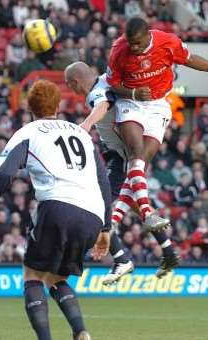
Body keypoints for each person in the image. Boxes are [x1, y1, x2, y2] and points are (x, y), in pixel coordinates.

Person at [0, 80, 111, 340]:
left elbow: (4, 176)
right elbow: (104, 181)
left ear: (30, 106)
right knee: (56, 278)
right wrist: (106, 228)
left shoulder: (28, 132)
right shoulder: (81, 134)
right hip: (93, 215)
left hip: (57, 206)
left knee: (32, 275)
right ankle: (81, 332)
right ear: (58, 105)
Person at [106, 17, 208, 235]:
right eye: (131, 43)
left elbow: (190, 59)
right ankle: (147, 213)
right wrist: (133, 93)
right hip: (131, 103)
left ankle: (113, 220)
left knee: (138, 168)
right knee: (135, 156)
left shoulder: (167, 42)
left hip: (158, 105)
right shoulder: (119, 50)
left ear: (148, 34)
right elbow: (113, 83)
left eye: (137, 42)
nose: (134, 48)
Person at [65, 61, 178, 282]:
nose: (71, 91)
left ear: (75, 82)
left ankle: (121, 260)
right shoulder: (106, 81)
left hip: (122, 156)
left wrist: (86, 125)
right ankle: (169, 251)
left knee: (96, 205)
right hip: (120, 153)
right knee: (133, 203)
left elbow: (103, 105)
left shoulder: (96, 93)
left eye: (70, 86)